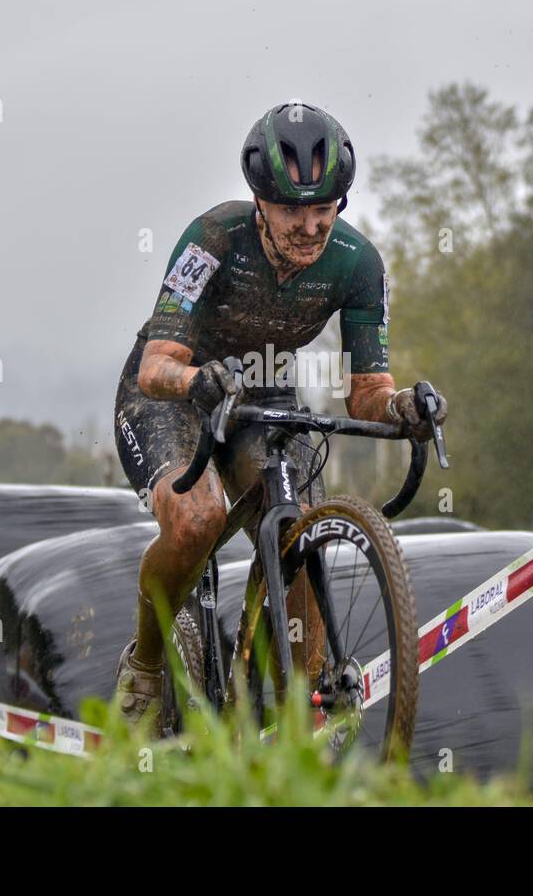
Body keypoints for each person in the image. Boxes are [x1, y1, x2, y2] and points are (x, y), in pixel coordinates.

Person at [111, 102, 448, 730]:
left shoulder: (357, 264)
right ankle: (146, 670)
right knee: (197, 518)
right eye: (293, 210)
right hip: (174, 391)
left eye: (325, 209)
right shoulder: (213, 237)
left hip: (264, 395)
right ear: (260, 202)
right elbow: (157, 365)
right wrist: (195, 379)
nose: (310, 227)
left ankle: (297, 717)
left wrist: (404, 407)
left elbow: (367, 393)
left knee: (303, 530)